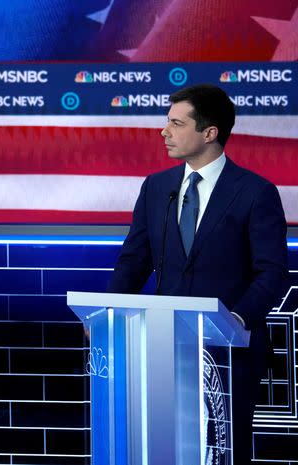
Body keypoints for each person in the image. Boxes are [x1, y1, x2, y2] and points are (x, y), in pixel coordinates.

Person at [108, 84, 288, 463]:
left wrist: (233, 319)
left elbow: (272, 273)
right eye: (166, 122)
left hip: (229, 351)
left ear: (210, 133)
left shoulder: (256, 192)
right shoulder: (157, 188)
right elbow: (133, 261)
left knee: (222, 451)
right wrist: (108, 312)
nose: (164, 131)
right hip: (161, 346)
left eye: (176, 122)